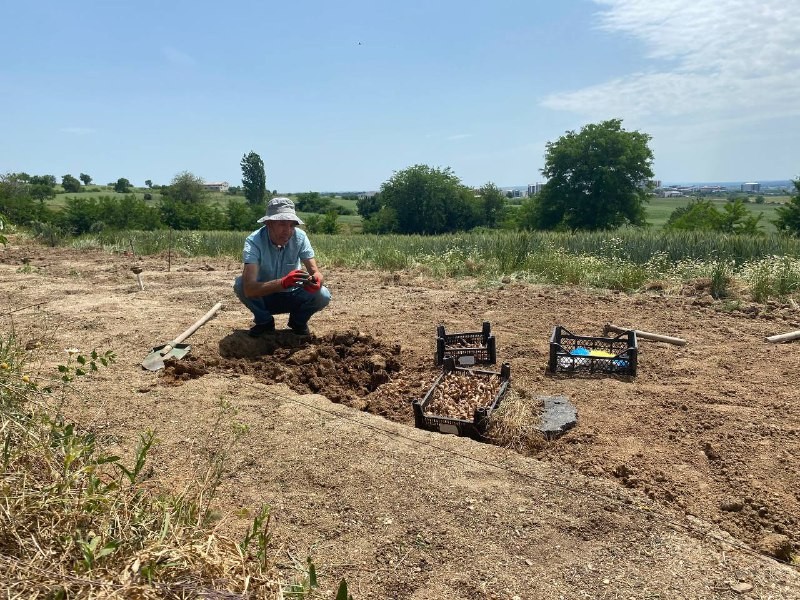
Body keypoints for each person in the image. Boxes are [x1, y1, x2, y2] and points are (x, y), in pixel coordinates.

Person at [233, 197, 331, 337]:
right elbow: (249, 289)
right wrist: (283, 282)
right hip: (265, 296)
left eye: (292, 225)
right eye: (282, 224)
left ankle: (298, 322)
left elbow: (316, 273)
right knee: (240, 284)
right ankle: (264, 322)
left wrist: (317, 281)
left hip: (293, 295)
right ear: (268, 223)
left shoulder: (300, 237)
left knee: (323, 294)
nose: (288, 231)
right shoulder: (254, 241)